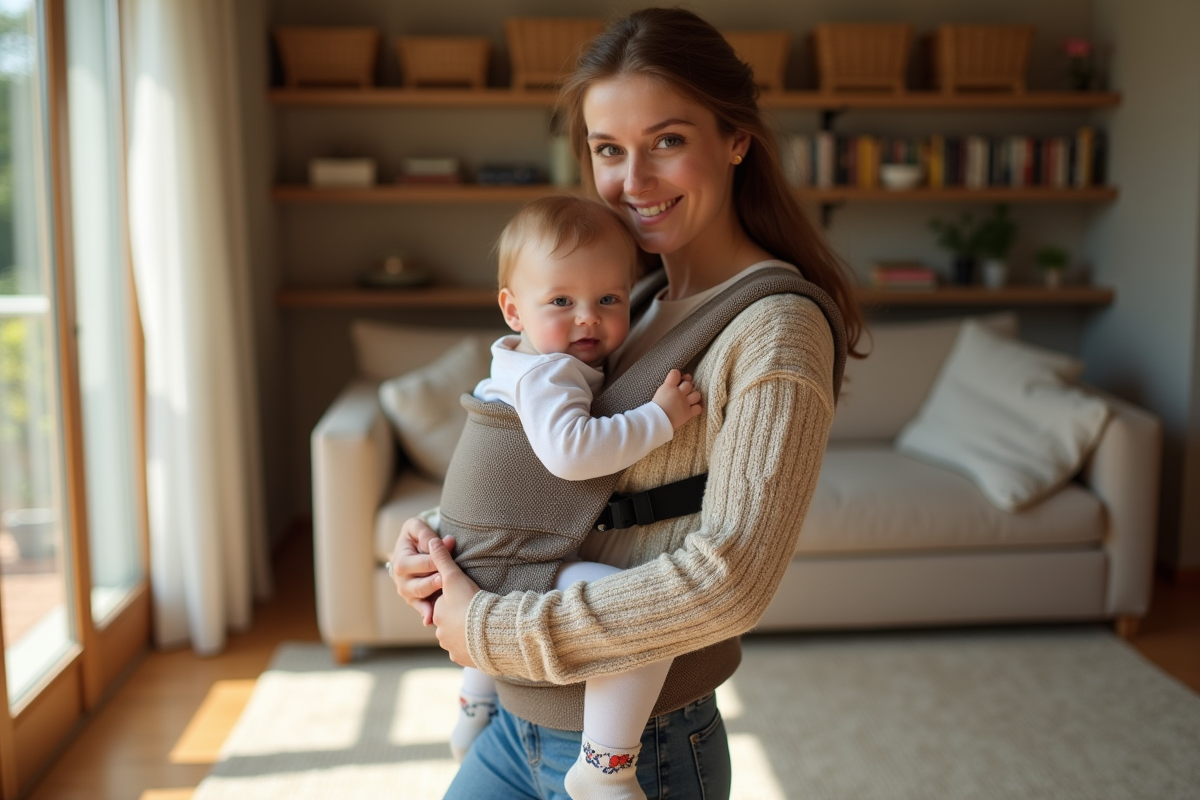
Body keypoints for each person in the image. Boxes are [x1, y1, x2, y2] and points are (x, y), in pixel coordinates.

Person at [389, 8, 866, 799]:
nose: (632, 182)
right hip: (520, 714)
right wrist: (447, 547)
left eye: (667, 142)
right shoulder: (626, 300)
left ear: (737, 138)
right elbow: (573, 483)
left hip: (641, 750)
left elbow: (732, 579)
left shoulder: (775, 329)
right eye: (609, 149)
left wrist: (485, 627)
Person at [446, 194, 703, 800]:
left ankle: (474, 708)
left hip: (480, 548)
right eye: (561, 301)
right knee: (638, 615)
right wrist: (659, 419)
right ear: (513, 308)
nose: (587, 318)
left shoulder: (515, 362)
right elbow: (571, 452)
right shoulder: (550, 374)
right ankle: (604, 766)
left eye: (608, 300)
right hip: (511, 556)